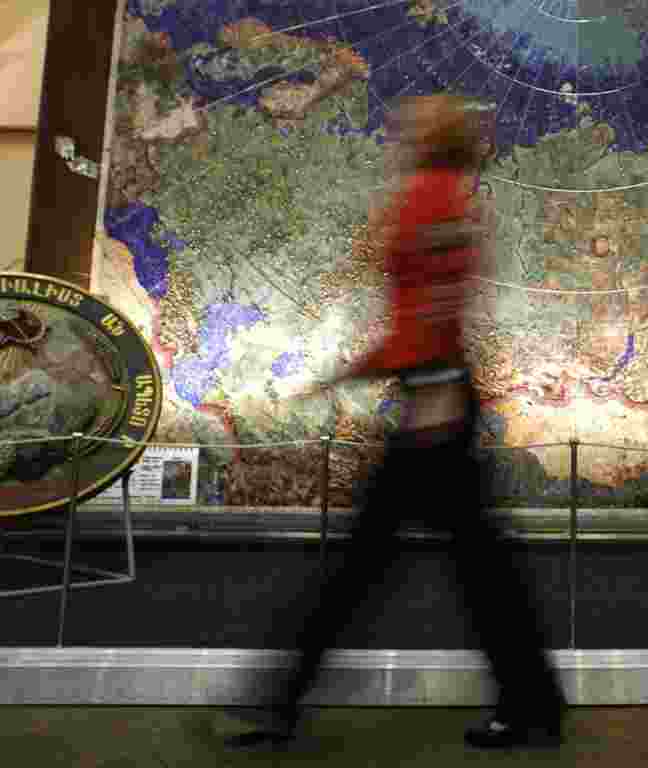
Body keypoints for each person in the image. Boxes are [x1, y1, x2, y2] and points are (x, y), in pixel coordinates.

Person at [226, 94, 565, 751]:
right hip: (441, 399)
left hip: (434, 408)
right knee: (476, 573)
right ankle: (534, 709)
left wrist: (379, 377)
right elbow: (438, 306)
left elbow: (430, 312)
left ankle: (279, 707)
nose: (397, 132)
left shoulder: (428, 199)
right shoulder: (455, 199)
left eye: (410, 126)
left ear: (431, 137)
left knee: (368, 568)